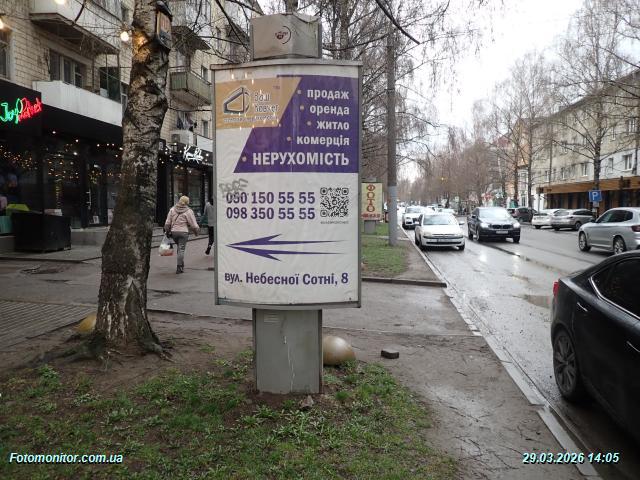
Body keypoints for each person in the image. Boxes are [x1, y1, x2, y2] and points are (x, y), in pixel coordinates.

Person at [164, 196, 199, 274]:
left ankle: (181, 264)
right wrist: (196, 232)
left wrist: (167, 230)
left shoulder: (172, 209)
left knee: (179, 248)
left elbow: (167, 222)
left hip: (174, 233)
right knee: (181, 249)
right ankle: (179, 267)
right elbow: (193, 224)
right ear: (187, 202)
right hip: (183, 232)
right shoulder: (189, 211)